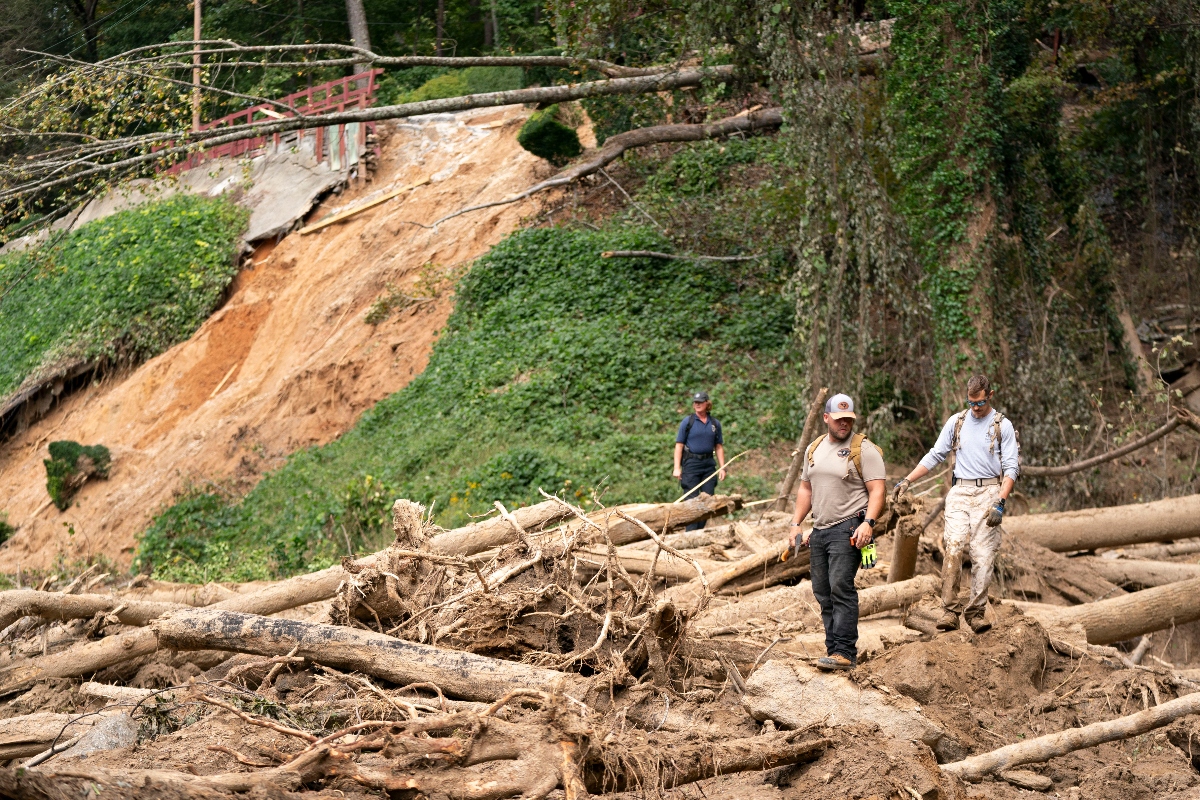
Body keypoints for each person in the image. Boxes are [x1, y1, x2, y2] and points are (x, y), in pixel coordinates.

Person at [892, 374, 1019, 633]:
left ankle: (976, 612)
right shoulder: (957, 422)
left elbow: (1012, 467)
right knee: (953, 544)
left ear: (990, 396)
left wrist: (1000, 503)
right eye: (971, 403)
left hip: (990, 490)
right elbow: (935, 454)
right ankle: (949, 610)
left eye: (980, 403)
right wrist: (908, 480)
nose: (975, 408)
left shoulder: (1002, 425)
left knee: (983, 555)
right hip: (960, 489)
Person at [787, 393, 886, 671]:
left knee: (841, 586)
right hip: (820, 529)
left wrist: (869, 523)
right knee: (822, 591)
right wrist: (796, 523)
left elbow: (877, 490)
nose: (844, 424)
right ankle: (833, 650)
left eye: (849, 419)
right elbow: (806, 488)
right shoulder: (814, 448)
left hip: (850, 526)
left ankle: (845, 651)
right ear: (826, 418)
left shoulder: (864, 449)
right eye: (839, 419)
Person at [673, 391, 727, 530]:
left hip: (708, 464)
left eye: (700, 402)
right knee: (691, 501)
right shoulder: (688, 422)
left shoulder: (714, 423)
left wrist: (722, 467)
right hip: (691, 464)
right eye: (695, 402)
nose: (697, 404)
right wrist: (677, 467)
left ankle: (699, 532)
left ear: (707, 404)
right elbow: (679, 445)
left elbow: (719, 446)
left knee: (708, 500)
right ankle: (691, 535)